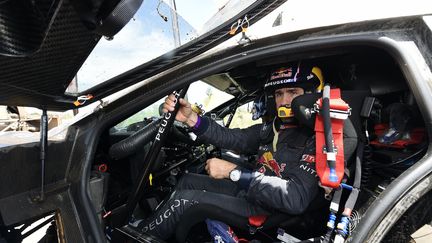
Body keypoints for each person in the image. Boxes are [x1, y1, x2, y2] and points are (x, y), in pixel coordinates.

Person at [129, 62, 357, 240]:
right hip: (252, 193)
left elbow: (295, 199)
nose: (284, 100)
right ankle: (161, 228)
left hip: (268, 210)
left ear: (310, 94)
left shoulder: (317, 138)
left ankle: (136, 237)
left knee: (184, 200)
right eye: (278, 94)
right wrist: (191, 119)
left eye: (292, 92)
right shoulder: (274, 128)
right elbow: (232, 138)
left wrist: (234, 172)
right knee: (188, 181)